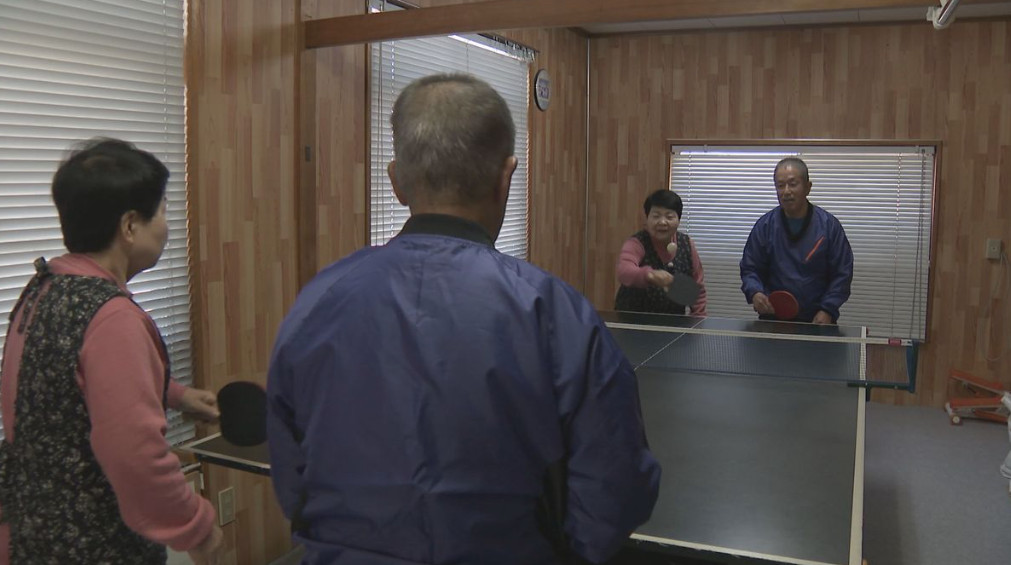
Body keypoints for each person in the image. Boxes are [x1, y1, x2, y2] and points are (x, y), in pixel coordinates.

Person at [266, 74, 660, 565]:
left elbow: (292, 477)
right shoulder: (555, 313)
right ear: (506, 176)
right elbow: (615, 492)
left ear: (396, 181)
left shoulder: (317, 301)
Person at [0, 139, 223, 565]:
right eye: (161, 212)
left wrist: (175, 395)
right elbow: (136, 456)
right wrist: (196, 526)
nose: (167, 226)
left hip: (30, 533)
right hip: (90, 544)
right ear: (130, 226)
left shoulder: (43, 290)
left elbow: (65, 384)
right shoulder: (113, 318)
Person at [740, 157, 854, 324]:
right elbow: (750, 268)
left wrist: (827, 309)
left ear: (808, 187)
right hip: (773, 319)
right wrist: (755, 292)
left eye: (793, 184)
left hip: (818, 320)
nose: (786, 191)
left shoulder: (829, 226)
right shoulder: (765, 226)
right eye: (780, 185)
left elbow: (842, 274)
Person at [615, 189, 707, 316]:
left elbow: (698, 290)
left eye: (669, 217)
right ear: (647, 219)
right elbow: (624, 271)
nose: (662, 222)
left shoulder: (687, 244)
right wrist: (650, 275)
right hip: (632, 320)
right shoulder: (636, 243)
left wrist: (699, 319)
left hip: (673, 321)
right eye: (656, 216)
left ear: (678, 220)